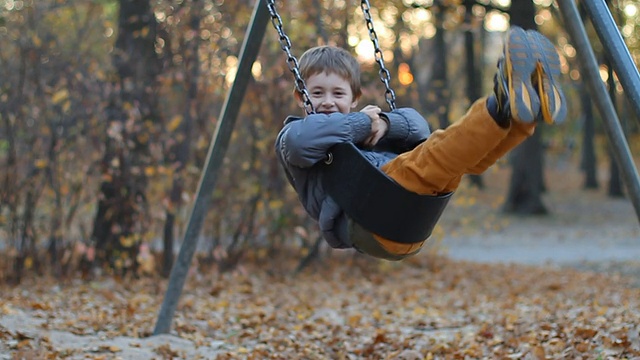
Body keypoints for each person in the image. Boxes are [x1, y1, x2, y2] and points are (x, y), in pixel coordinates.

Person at [274, 26, 566, 261]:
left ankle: (522, 115)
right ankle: (498, 102)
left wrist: (385, 123)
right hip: (370, 216)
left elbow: (418, 125)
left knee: (460, 158)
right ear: (301, 98)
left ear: (355, 99)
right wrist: (365, 123)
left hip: (409, 215)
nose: (327, 101)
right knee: (434, 157)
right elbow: (305, 141)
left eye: (337, 94)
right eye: (317, 93)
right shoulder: (294, 135)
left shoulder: (372, 125)